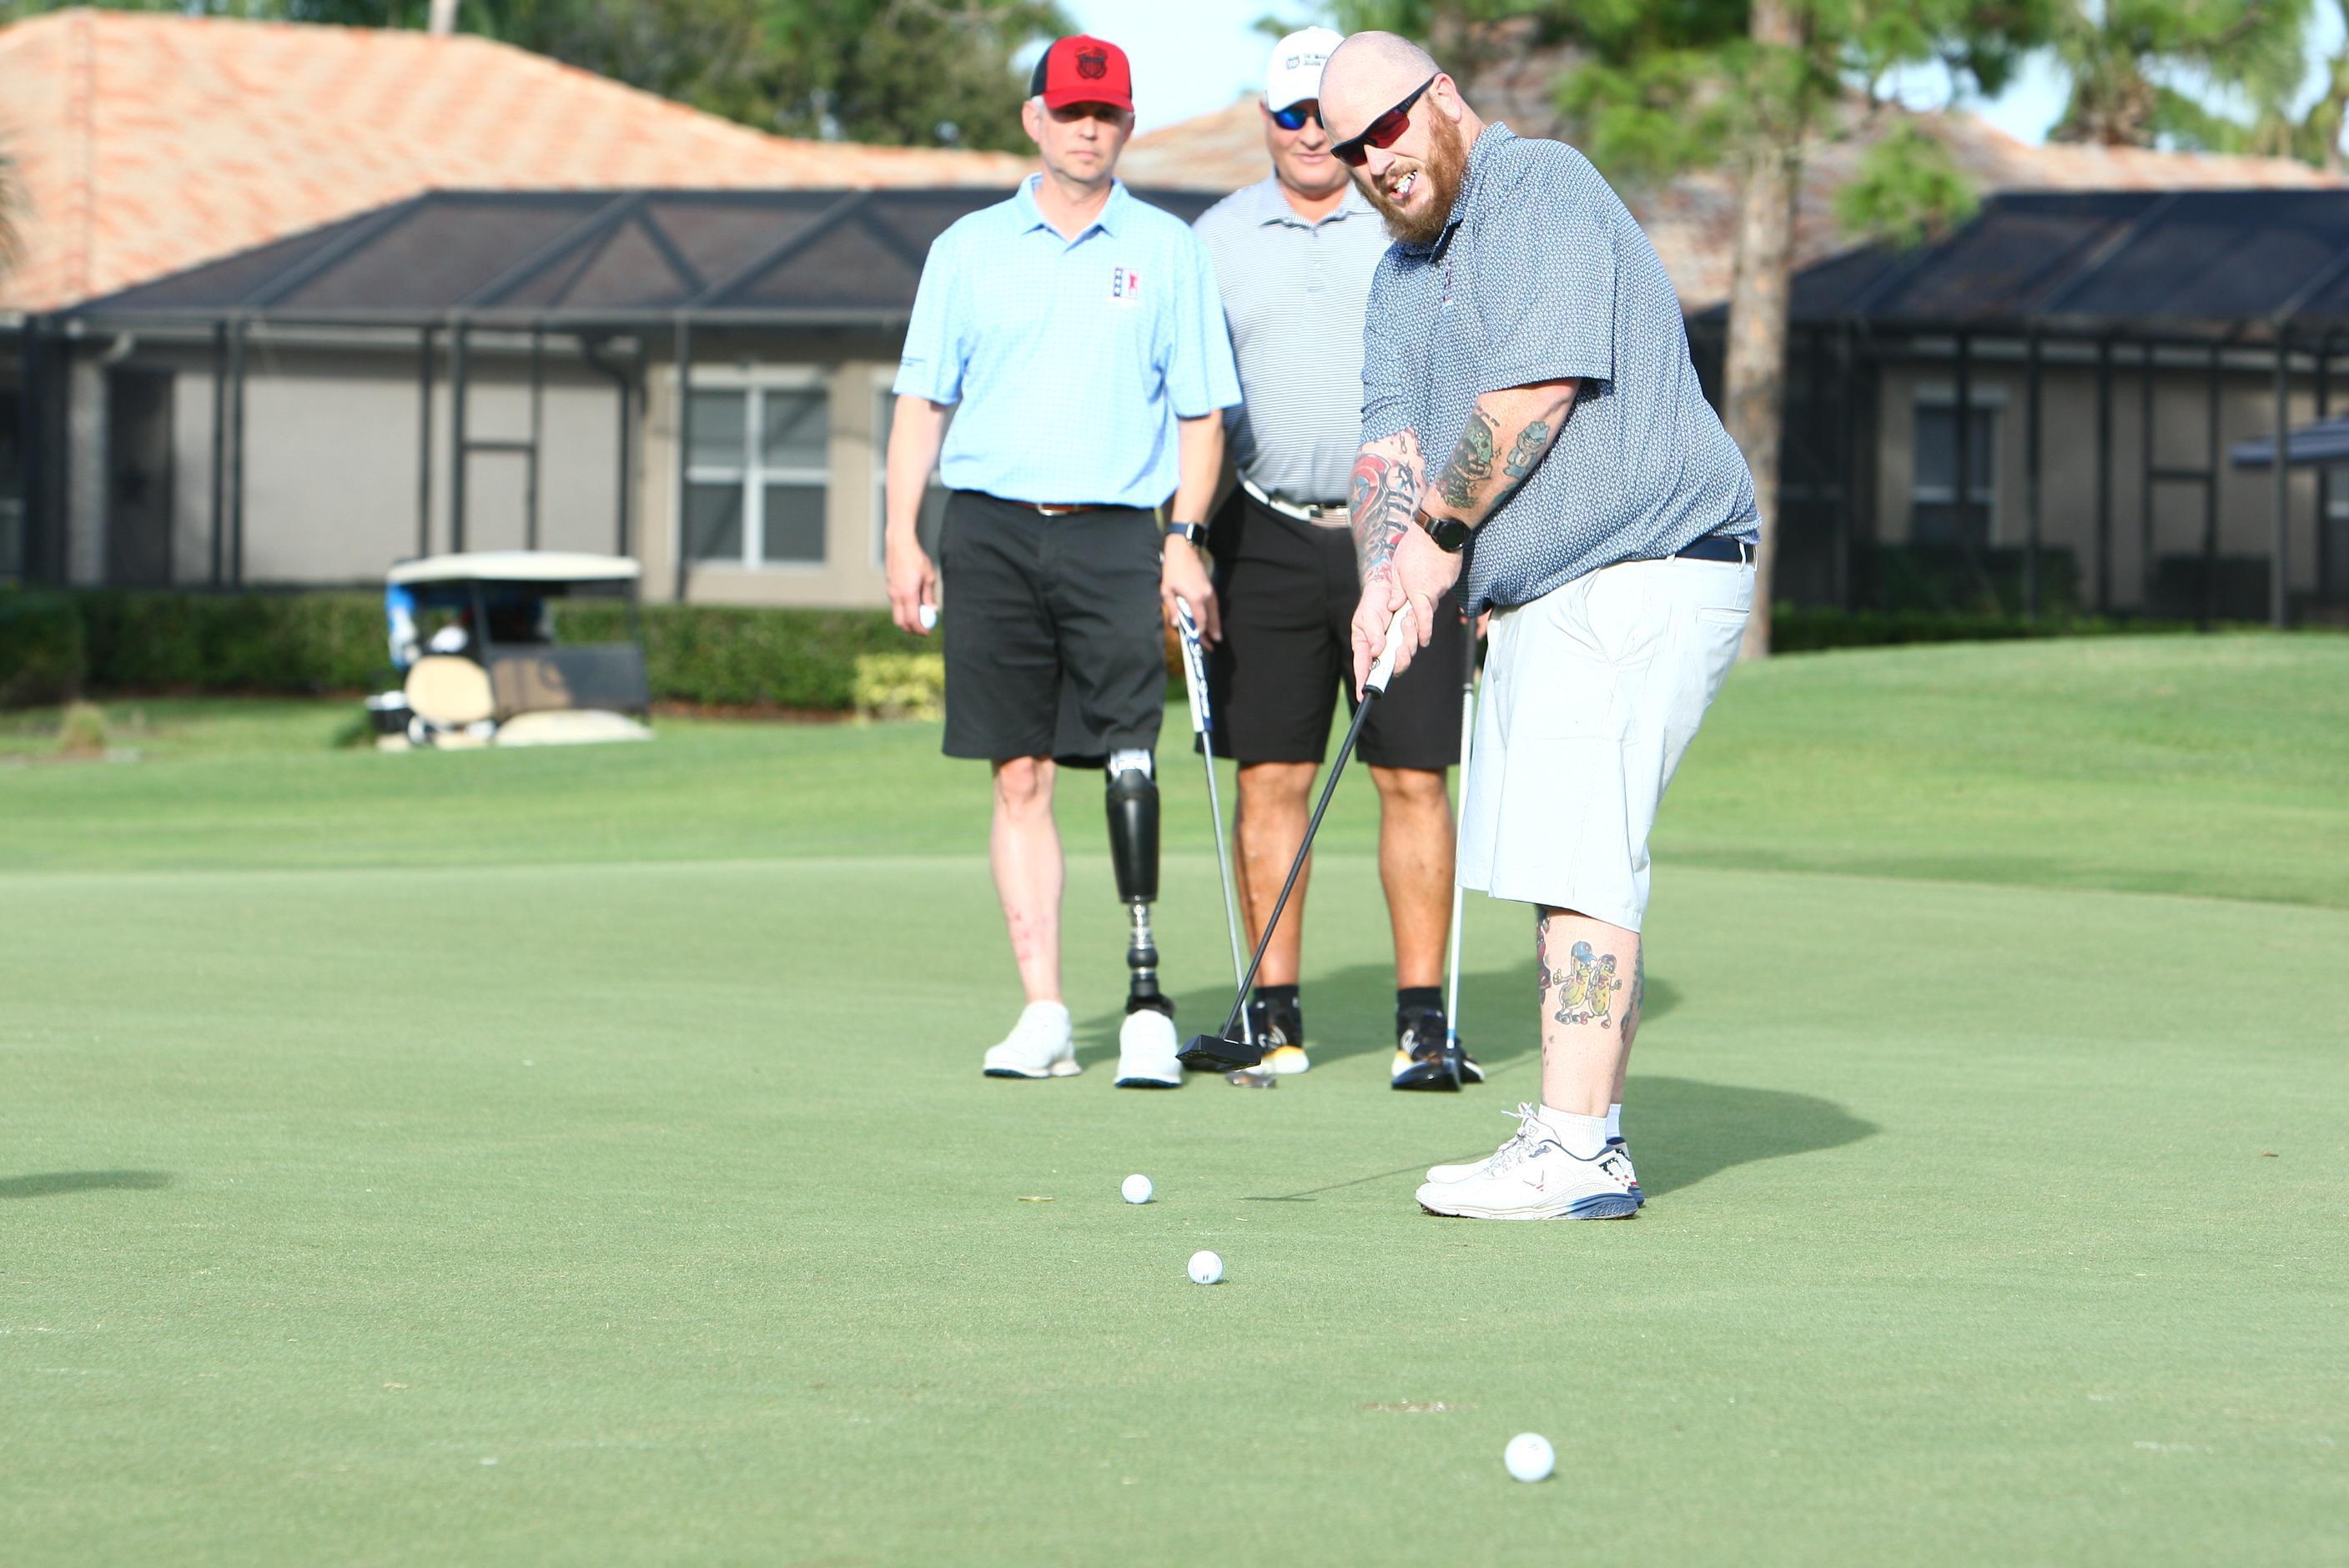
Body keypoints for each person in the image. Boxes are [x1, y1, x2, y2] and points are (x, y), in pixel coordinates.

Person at [1320, 33, 1761, 1217]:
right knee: (1566, 862)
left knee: (1579, 857)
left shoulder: (1540, 187)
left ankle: (1573, 1149)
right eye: (1349, 148)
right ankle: (1582, 1138)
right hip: (1544, 591)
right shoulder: (1398, 277)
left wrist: (1433, 543)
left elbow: (1535, 394)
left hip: (1640, 561)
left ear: (1442, 98)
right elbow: (1388, 447)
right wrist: (1383, 577)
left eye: (1387, 128)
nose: (1373, 160)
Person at [883, 34, 1240, 1089]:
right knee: (1019, 771)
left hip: (1115, 530)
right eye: (1071, 111)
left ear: (1126, 125)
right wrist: (901, 532)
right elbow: (922, 401)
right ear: (1034, 118)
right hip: (988, 529)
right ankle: (1043, 1008)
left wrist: (1184, 537)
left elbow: (1202, 414)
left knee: (1129, 757)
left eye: (1107, 114)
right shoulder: (966, 248)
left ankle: (1144, 999)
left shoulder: (1167, 250)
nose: (1089, 130)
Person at [1191, 28, 1480, 1093]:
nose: (1312, 135)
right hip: (1263, 532)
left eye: (1328, 118)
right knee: (1271, 774)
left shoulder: (1408, 216)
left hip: (1404, 537)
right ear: (1264, 122)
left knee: (1410, 774)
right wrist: (1181, 537)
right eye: (1291, 116)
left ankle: (1421, 1023)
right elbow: (1188, 404)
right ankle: (1271, 1016)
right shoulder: (1213, 238)